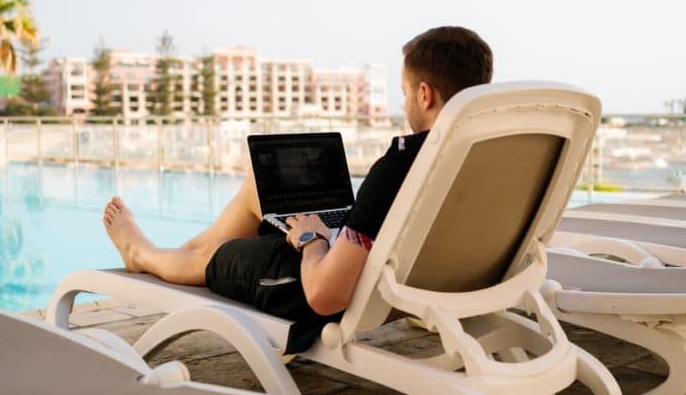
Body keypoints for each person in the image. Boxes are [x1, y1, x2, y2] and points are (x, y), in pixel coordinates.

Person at [103, 26, 493, 351]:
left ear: (425, 94)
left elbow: (326, 295)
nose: (405, 102)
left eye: (406, 93)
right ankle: (183, 254)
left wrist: (312, 239)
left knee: (220, 256)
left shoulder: (400, 166)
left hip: (316, 288)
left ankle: (146, 254)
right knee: (259, 188)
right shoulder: (490, 159)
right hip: (413, 278)